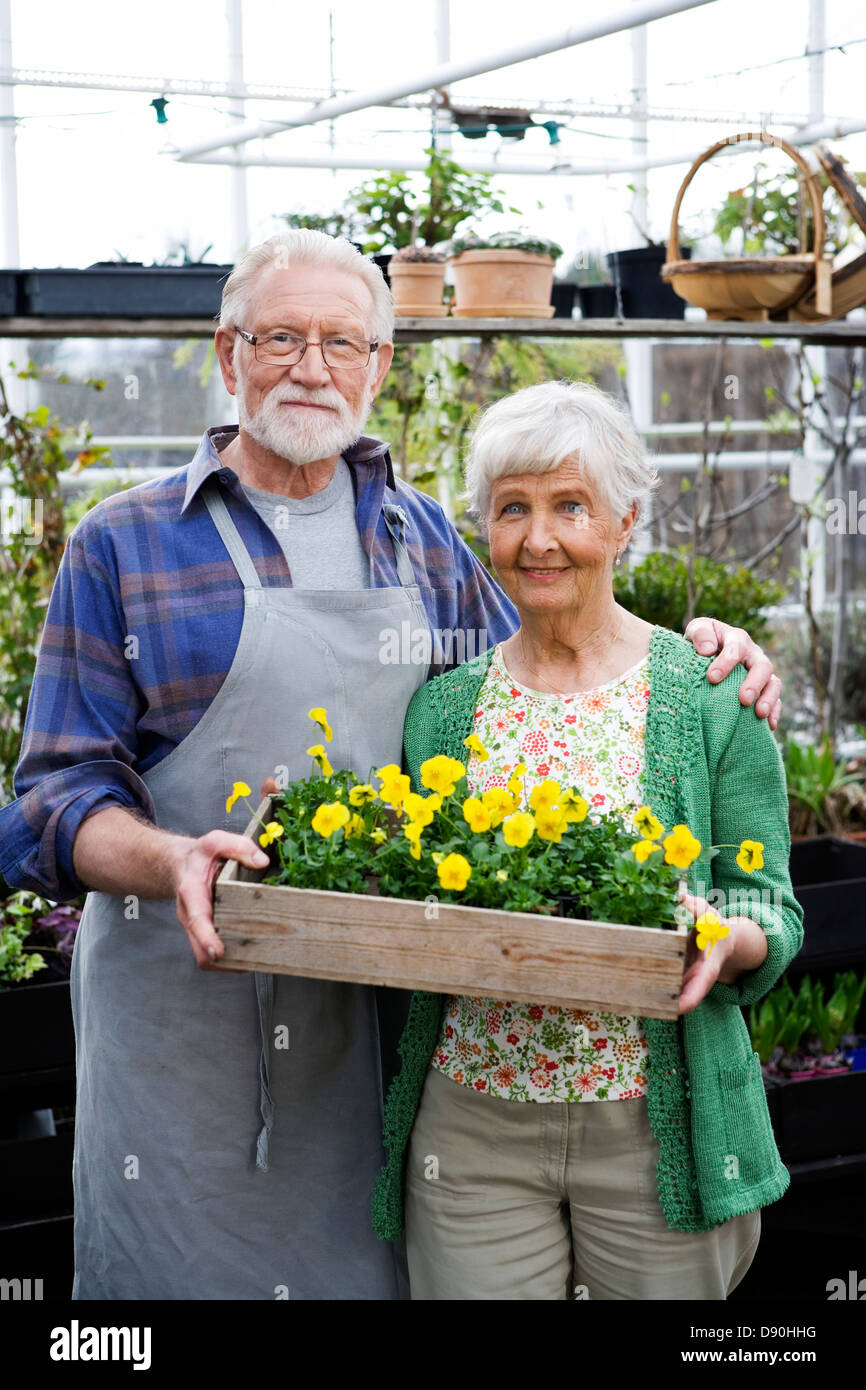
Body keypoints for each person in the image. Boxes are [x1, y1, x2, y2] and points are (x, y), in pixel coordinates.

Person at [0, 232, 782, 1301]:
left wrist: (705, 647)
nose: (310, 367)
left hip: (381, 1024)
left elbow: (561, 653)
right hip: (185, 1012)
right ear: (228, 357)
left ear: (378, 365)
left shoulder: (421, 541)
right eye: (280, 336)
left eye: (341, 341)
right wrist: (175, 857)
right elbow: (49, 800)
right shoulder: (122, 544)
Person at [371, 380, 803, 1301]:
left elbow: (767, 898)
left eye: (571, 506)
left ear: (624, 523)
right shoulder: (442, 712)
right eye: (512, 509)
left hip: (655, 1122)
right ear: (484, 528)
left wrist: (729, 938)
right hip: (473, 1125)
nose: (539, 539)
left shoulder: (709, 693)